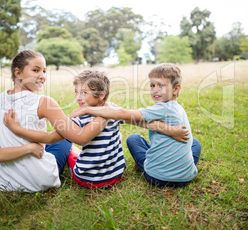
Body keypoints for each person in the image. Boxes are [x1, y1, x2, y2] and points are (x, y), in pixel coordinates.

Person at [4, 68, 191, 188]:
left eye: (84, 92)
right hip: (117, 174)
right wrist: (170, 130)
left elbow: (51, 138)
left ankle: (72, 162)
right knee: (132, 139)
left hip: (88, 180)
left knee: (64, 146)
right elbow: (138, 120)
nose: (78, 97)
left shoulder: (82, 119)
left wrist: (18, 129)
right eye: (76, 91)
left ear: (101, 95)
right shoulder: (113, 110)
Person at [0, 50, 110, 192]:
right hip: (39, 180)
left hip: (6, 183)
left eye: (44, 71)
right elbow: (80, 137)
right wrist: (105, 113)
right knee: (64, 138)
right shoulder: (42, 102)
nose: (42, 76)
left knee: (55, 135)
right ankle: (74, 155)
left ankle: (71, 151)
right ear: (18, 73)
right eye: (36, 70)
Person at [70, 63, 202, 188]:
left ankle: (149, 166)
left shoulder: (161, 108)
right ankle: (183, 169)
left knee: (132, 139)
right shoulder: (177, 108)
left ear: (176, 88)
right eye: (152, 85)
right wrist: (170, 131)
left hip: (156, 177)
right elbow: (134, 120)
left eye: (161, 85)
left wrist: (86, 110)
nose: (155, 90)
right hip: (186, 177)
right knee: (194, 143)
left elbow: (123, 114)